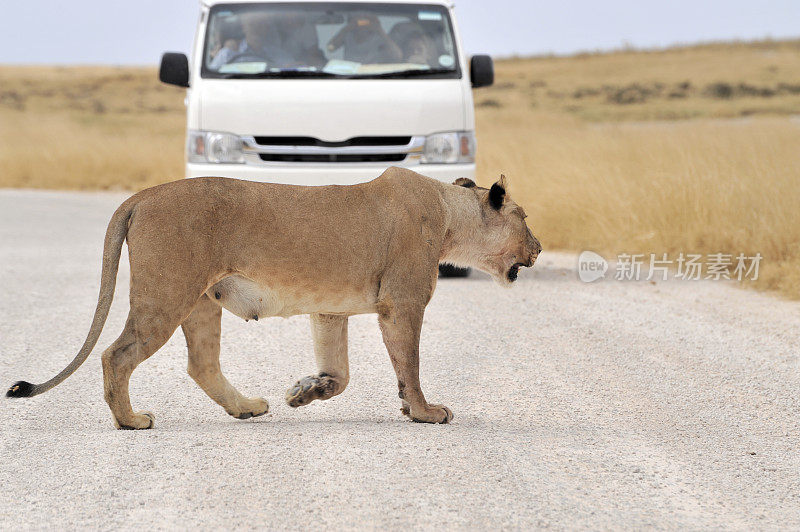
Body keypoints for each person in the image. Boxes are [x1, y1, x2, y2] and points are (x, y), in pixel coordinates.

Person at [326, 13, 402, 64]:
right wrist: (346, 28)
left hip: (374, 76)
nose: (362, 22)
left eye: (366, 19)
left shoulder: (380, 38)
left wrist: (379, 30)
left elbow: (397, 56)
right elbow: (330, 48)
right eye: (358, 20)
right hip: (349, 75)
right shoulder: (346, 35)